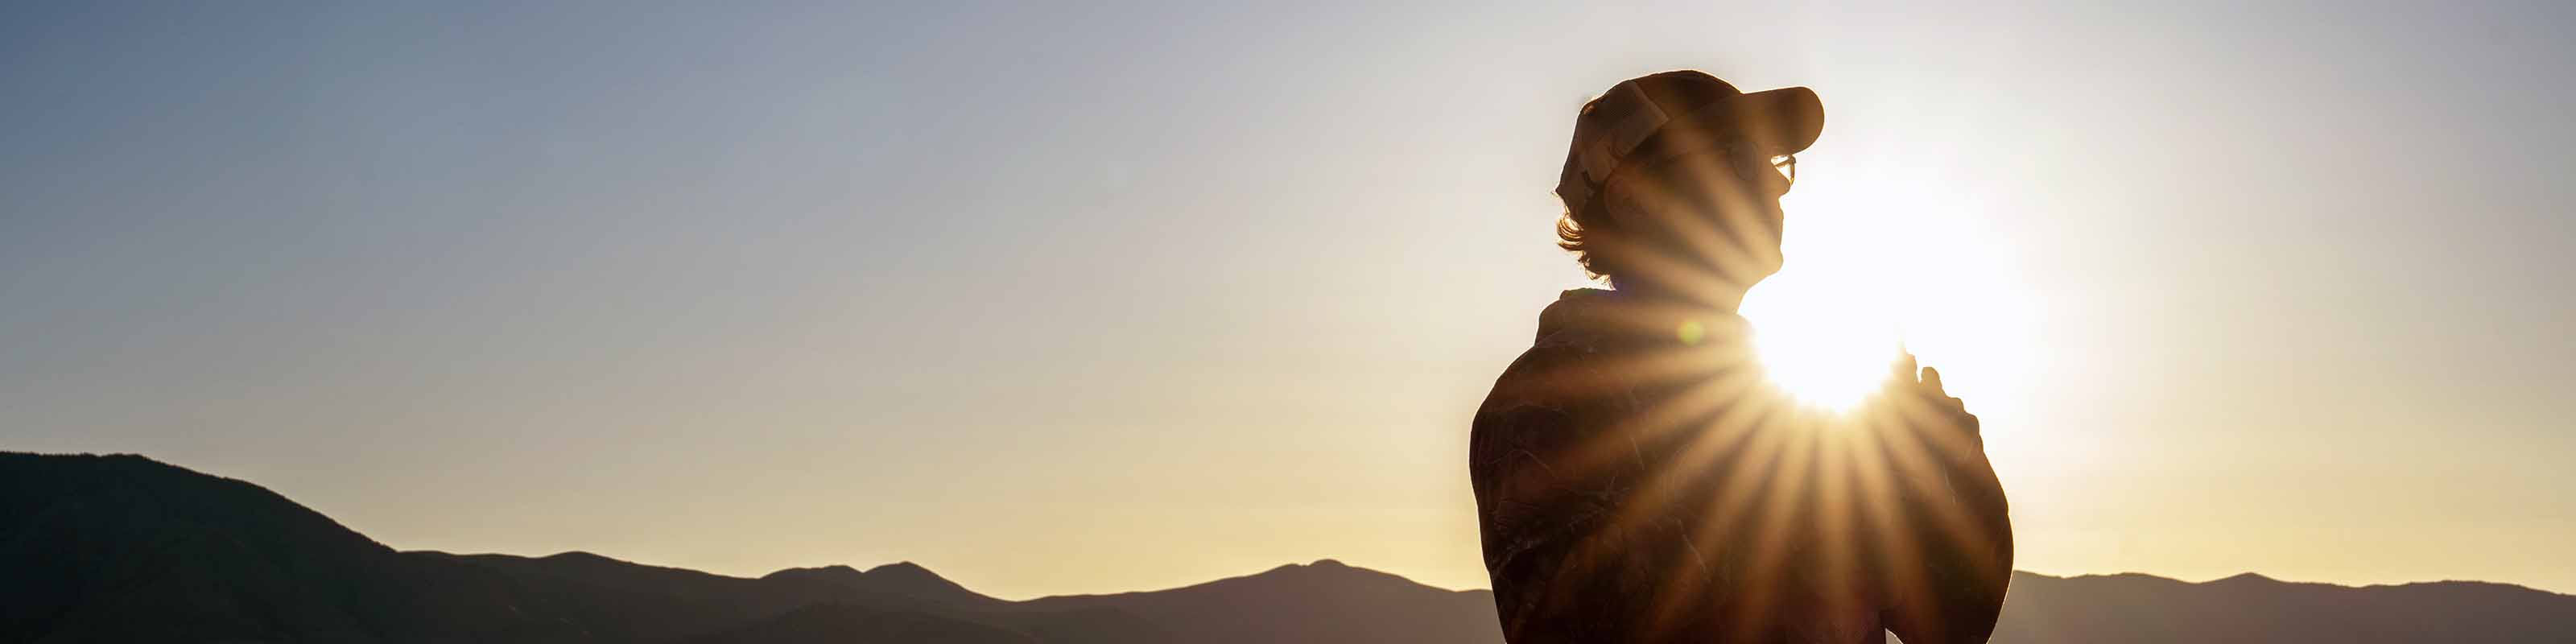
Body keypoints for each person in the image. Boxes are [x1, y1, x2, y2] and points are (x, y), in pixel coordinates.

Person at [1468, 70, 2013, 643]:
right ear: (1634, 199)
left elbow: (1956, 618)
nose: (1777, 187)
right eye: (1739, 158)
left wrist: (1946, 462)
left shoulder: (1784, 400)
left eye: (1778, 163)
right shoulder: (1547, 397)